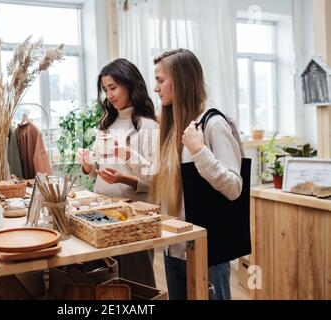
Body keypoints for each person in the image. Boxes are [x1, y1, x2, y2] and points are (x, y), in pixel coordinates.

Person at [117, 49, 250, 300]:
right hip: (174, 248)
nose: (155, 88)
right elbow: (161, 177)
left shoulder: (213, 124)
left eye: (160, 80)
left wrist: (199, 150)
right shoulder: (172, 127)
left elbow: (234, 187)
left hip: (207, 252)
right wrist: (128, 156)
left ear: (182, 80)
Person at [77, 58, 159, 287]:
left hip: (134, 215)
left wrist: (123, 178)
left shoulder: (148, 127)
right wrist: (88, 165)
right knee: (108, 280)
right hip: (101, 212)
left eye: (113, 87)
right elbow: (97, 172)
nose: (109, 95)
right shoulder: (107, 124)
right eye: (105, 90)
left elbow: (156, 180)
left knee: (137, 281)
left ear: (130, 84)